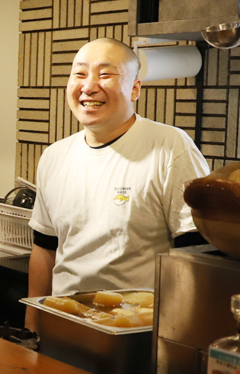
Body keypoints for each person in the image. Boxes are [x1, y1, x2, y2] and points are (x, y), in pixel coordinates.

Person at [26, 38, 209, 331]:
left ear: (135, 89)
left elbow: (194, 253)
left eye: (105, 74)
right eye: (80, 73)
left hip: (137, 334)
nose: (88, 87)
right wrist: (32, 327)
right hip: (63, 326)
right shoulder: (53, 157)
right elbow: (45, 250)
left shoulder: (170, 148)